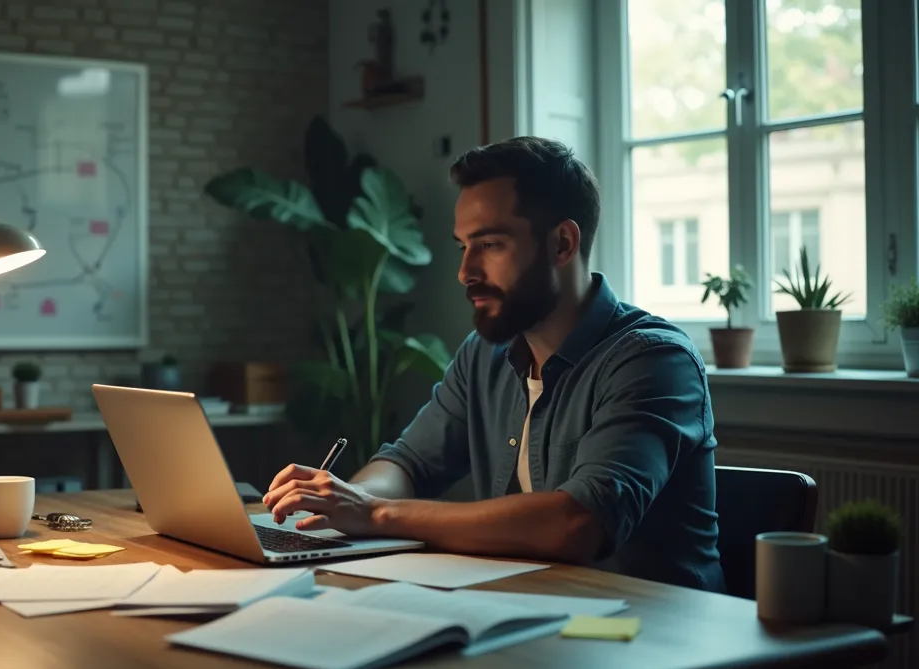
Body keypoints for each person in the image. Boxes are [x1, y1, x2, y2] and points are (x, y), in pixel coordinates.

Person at [263, 136, 725, 593]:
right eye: (464, 246)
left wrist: (375, 513)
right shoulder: (484, 355)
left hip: (657, 634)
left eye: (491, 244)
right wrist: (345, 500)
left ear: (562, 243)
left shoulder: (654, 359)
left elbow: (577, 523)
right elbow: (409, 465)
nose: (466, 271)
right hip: (534, 612)